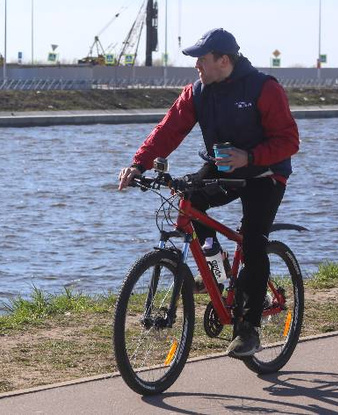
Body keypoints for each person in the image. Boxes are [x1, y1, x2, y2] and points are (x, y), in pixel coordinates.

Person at [117, 28, 299, 358]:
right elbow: (168, 130)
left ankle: (249, 328)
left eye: (201, 59)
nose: (196, 66)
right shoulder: (198, 92)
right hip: (224, 166)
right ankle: (217, 267)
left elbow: (289, 141)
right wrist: (139, 165)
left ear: (223, 60)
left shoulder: (264, 89)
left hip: (265, 172)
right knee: (188, 202)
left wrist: (252, 156)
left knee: (254, 238)